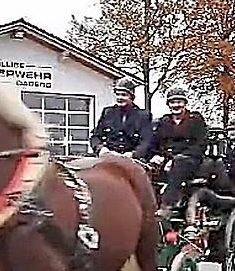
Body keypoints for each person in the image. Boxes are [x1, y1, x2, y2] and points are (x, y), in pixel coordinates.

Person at [148, 85, 207, 218]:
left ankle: (168, 204)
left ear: (185, 103)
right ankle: (148, 203)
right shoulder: (164, 121)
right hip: (167, 158)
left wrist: (175, 159)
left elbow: (200, 144)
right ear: (168, 105)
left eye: (179, 102)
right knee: (147, 168)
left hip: (190, 159)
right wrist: (156, 156)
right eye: (172, 102)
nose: (176, 105)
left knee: (179, 163)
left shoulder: (195, 120)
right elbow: (155, 143)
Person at [89, 77, 153, 159]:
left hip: (131, 158)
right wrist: (101, 149)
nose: (119, 98)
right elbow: (95, 136)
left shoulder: (143, 116)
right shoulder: (108, 113)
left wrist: (134, 154)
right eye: (117, 94)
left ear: (131, 97)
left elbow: (146, 141)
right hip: (108, 156)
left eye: (124, 95)